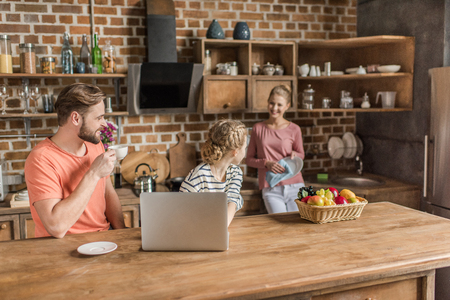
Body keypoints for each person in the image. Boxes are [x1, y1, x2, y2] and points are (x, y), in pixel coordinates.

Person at [24, 83, 125, 238]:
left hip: (103, 239)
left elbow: (108, 193)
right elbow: (56, 227)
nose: (104, 124)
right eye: (99, 117)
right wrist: (93, 174)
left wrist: (122, 234)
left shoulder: (95, 145)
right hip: (63, 247)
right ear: (76, 118)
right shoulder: (41, 159)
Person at [246, 85, 305, 214]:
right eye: (272, 103)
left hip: (295, 185)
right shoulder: (258, 129)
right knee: (279, 228)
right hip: (270, 188)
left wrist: (296, 154)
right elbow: (249, 160)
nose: (274, 108)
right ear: (268, 102)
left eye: (279, 104)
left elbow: (301, 154)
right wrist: (266, 163)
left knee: (298, 227)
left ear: (287, 105)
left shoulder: (294, 129)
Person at [180, 119, 247, 226]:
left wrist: (220, 229)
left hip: (217, 228)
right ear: (235, 152)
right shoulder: (199, 175)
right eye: (245, 148)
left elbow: (232, 201)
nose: (245, 152)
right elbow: (181, 209)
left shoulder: (235, 173)